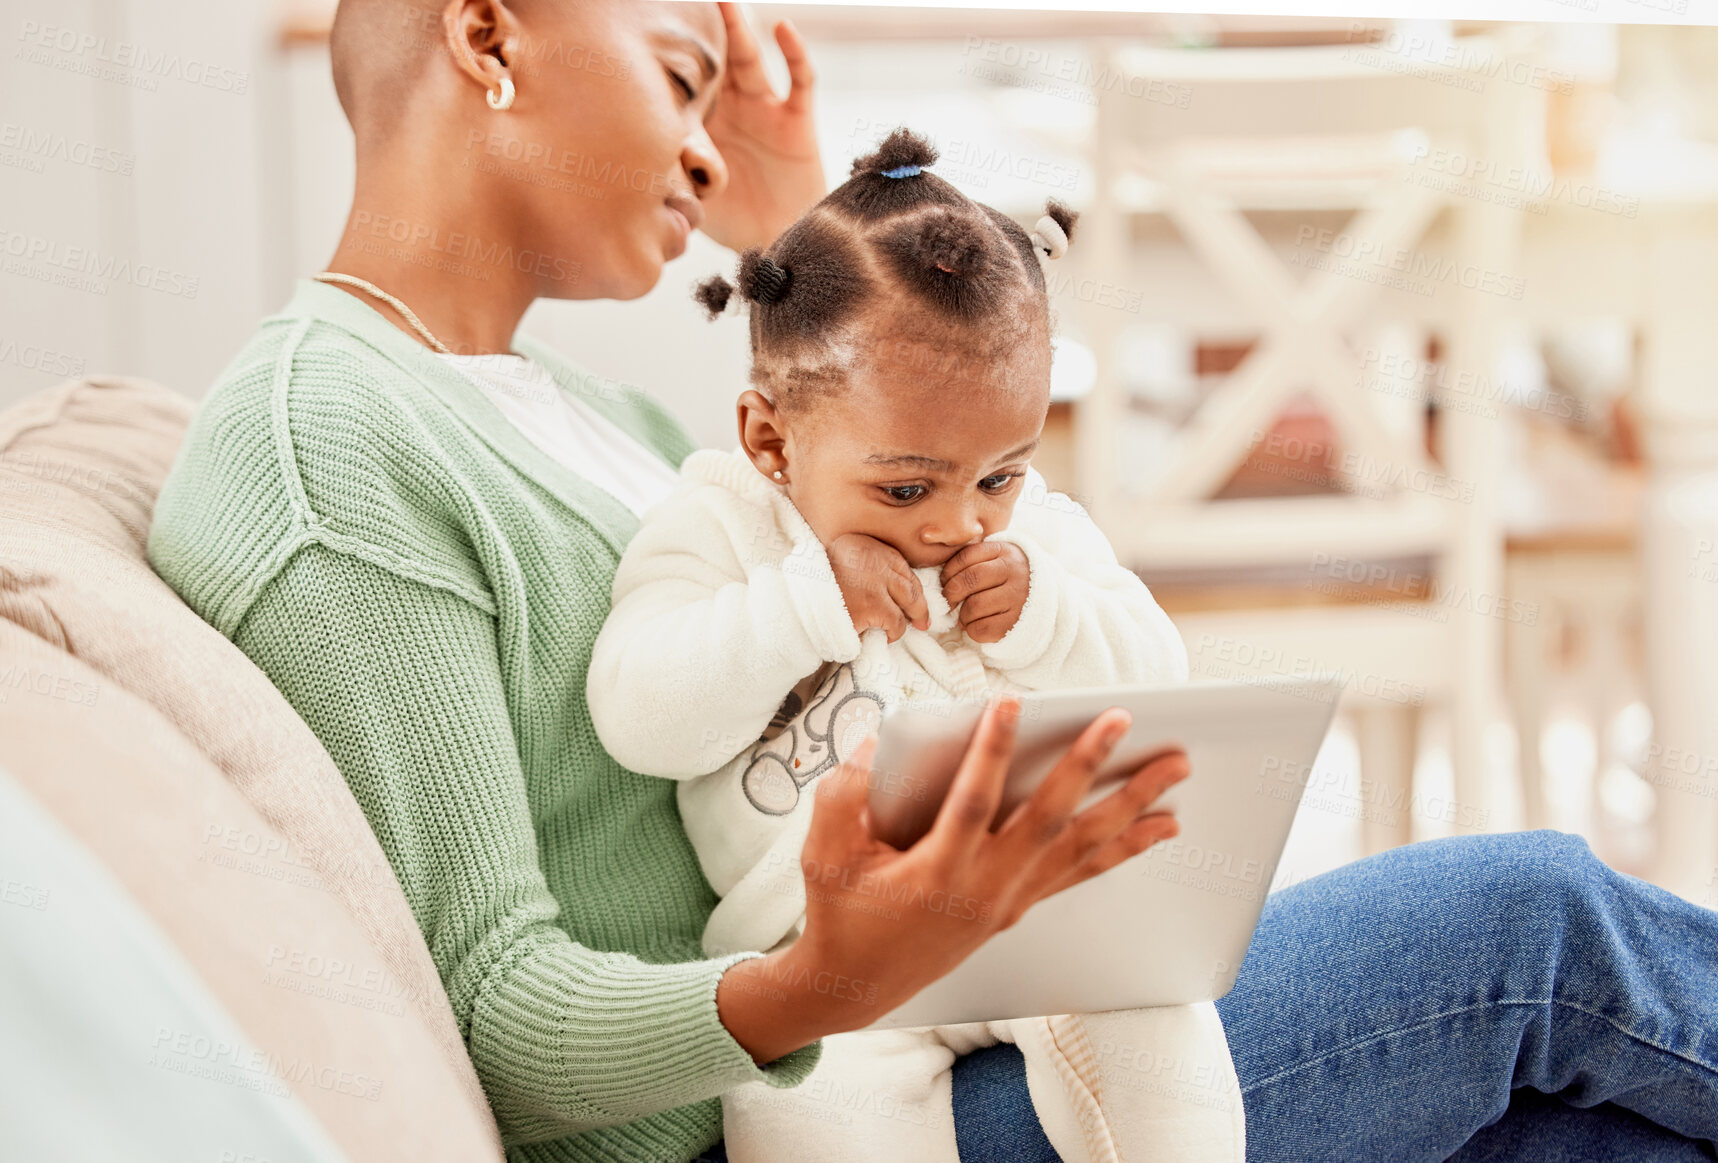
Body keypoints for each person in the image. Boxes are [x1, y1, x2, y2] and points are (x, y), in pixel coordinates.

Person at [144, 2, 1718, 1161]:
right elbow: (504, 1023)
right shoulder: (333, 451)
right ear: (484, 35)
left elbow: (863, 438)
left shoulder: (584, 409)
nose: (705, 140)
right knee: (1536, 922)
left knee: (1577, 1134)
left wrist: (803, 225)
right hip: (809, 1081)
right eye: (678, 77)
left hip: (948, 979)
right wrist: (825, 977)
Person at [586, 127, 1242, 1163]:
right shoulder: (719, 523)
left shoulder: (1036, 539)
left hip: (1032, 914)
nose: (958, 524)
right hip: (825, 960)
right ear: (770, 438)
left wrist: (1048, 615)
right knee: (813, 1117)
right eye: (904, 487)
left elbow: (1154, 677)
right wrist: (804, 605)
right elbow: (636, 712)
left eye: (998, 474)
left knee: (1155, 1023)